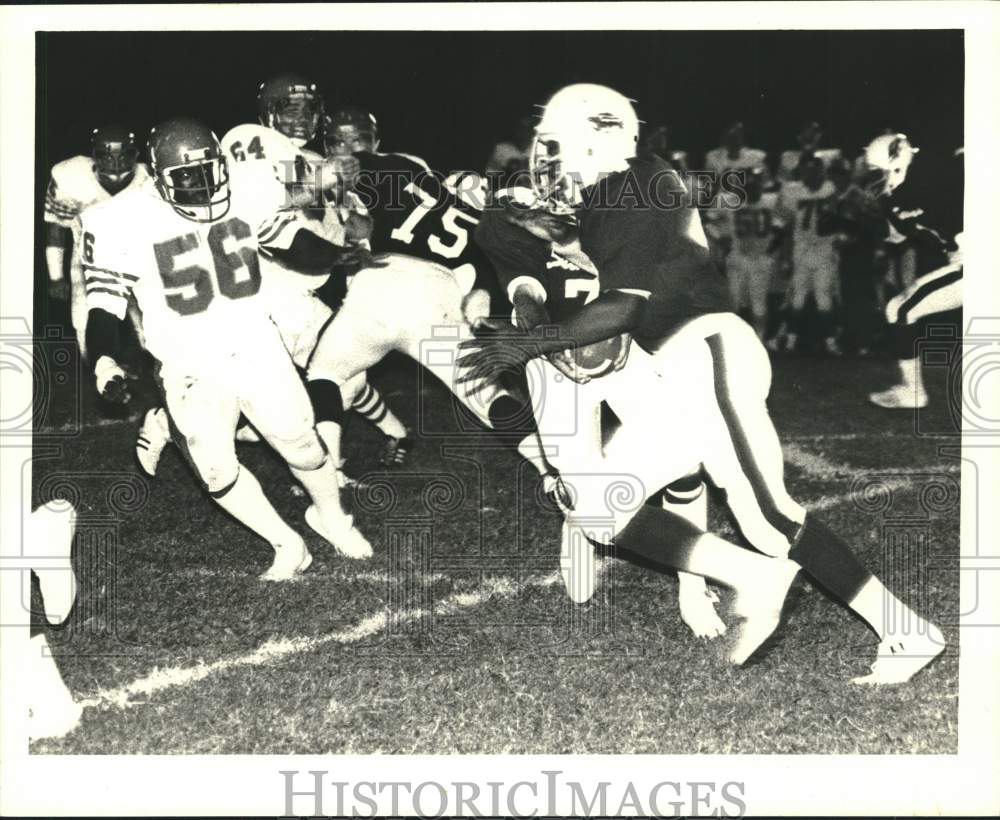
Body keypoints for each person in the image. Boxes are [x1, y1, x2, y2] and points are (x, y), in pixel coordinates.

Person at [459, 83, 944, 683]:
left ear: (601, 139)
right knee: (597, 505)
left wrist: (522, 341)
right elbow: (535, 261)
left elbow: (620, 311)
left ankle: (905, 631)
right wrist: (516, 233)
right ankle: (755, 578)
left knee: (768, 516)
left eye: (558, 146)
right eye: (544, 147)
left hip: (703, 349)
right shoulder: (596, 196)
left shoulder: (640, 184)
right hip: (666, 369)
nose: (547, 161)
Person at [83, 117, 374, 579]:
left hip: (255, 342)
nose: (204, 186)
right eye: (187, 178)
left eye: (209, 171)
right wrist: (102, 359)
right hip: (186, 360)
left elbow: (288, 241)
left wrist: (333, 257)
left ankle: (332, 518)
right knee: (216, 470)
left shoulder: (246, 185)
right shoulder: (118, 219)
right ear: (158, 178)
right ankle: (287, 543)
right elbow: (103, 305)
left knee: (300, 444)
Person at [865, 138, 963, 409]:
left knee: (900, 310)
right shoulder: (906, 194)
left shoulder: (932, 181)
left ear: (897, 163)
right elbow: (896, 236)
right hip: (966, 264)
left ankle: (914, 392)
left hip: (977, 264)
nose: (877, 179)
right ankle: (912, 392)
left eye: (879, 171)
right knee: (900, 309)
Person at [44, 126, 151, 359]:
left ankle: (151, 356)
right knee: (83, 304)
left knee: (147, 305)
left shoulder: (148, 179)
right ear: (95, 155)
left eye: (123, 155)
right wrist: (56, 276)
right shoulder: (72, 177)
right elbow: (57, 227)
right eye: (107, 155)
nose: (115, 163)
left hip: (136, 250)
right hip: (89, 254)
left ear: (136, 155)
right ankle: (90, 362)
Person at [774, 153, 841, 354]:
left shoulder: (831, 189)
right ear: (802, 172)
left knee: (823, 298)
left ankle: (830, 342)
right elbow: (785, 225)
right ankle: (791, 341)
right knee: (797, 298)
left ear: (823, 172)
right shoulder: (791, 191)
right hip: (801, 250)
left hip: (825, 251)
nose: (812, 175)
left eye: (816, 170)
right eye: (808, 170)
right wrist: (785, 255)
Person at [777, 120, 843, 183]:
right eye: (804, 134)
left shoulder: (832, 156)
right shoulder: (788, 157)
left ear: (819, 136)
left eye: (812, 134)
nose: (808, 136)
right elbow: (782, 183)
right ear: (798, 137)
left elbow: (839, 181)